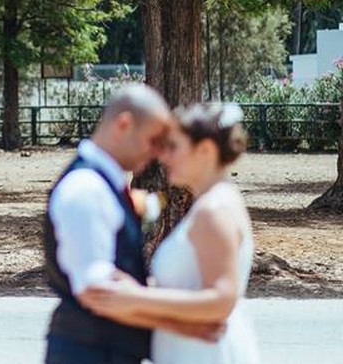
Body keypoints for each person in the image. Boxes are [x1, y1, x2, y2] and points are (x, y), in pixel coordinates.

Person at [44, 84, 219, 364]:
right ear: (124, 124)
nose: (158, 153)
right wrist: (180, 326)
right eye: (153, 141)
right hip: (89, 353)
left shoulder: (103, 185)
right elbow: (96, 290)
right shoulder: (86, 189)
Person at [80, 102, 260, 364]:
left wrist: (137, 298)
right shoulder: (212, 203)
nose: (164, 156)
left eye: (174, 147)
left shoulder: (214, 210)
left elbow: (222, 300)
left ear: (206, 151)